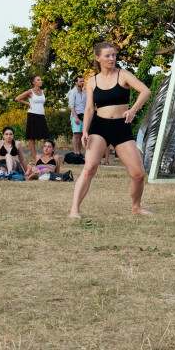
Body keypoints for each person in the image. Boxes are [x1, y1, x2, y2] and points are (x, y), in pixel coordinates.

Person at [70, 41, 152, 218]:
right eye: (107, 55)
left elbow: (145, 91)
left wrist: (132, 110)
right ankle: (75, 209)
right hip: (100, 127)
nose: (112, 58)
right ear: (98, 58)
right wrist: (85, 130)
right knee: (90, 168)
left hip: (121, 128)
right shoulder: (92, 81)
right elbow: (90, 108)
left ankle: (136, 207)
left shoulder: (123, 75)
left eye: (113, 55)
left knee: (138, 174)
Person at [15, 75, 50, 161]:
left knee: (46, 136)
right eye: (38, 80)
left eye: (41, 79)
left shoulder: (43, 91)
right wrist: (27, 103)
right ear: (34, 82)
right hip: (32, 115)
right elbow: (17, 98)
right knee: (32, 138)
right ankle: (35, 159)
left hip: (41, 115)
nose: (41, 81)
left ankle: (48, 156)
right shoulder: (30, 92)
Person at [67, 75, 87, 158]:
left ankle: (79, 153)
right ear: (76, 82)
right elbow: (71, 106)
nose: (82, 83)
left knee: (81, 135)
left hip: (83, 116)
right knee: (76, 134)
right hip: (75, 115)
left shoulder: (85, 93)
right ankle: (75, 153)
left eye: (83, 81)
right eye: (80, 81)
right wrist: (75, 117)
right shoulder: (73, 92)